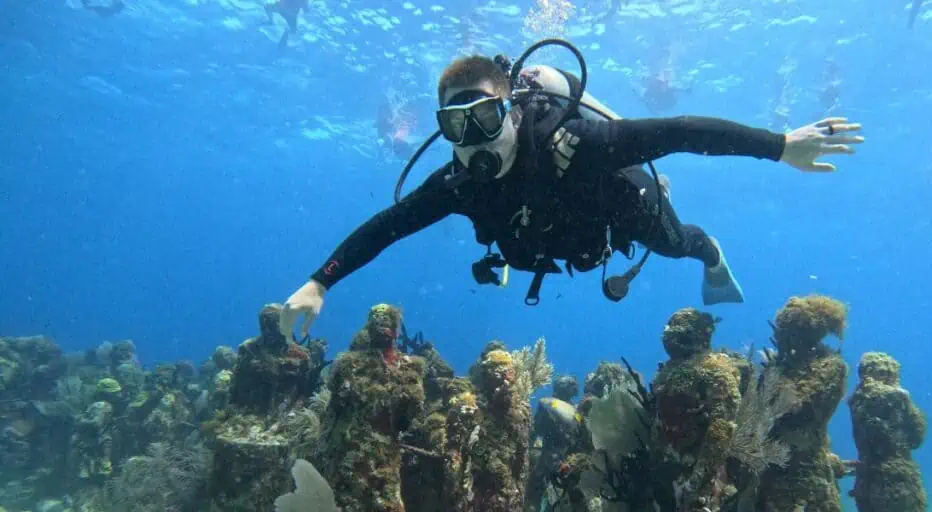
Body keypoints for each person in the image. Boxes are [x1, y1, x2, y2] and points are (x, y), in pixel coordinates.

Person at [278, 54, 864, 339]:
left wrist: (780, 145)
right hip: (537, 238)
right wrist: (319, 280)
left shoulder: (577, 141)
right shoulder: (457, 182)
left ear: (509, 109)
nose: (471, 140)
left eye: (483, 117)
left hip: (618, 218)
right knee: (506, 245)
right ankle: (510, 259)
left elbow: (682, 130)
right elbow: (390, 225)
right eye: (455, 126)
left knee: (672, 243)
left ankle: (710, 251)